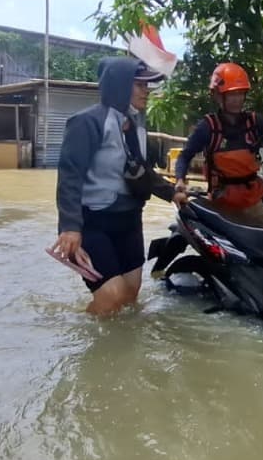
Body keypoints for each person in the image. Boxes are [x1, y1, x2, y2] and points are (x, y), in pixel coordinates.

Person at [52, 57, 176, 317]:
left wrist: (173, 193)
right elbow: (69, 177)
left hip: (129, 221)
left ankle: (121, 351)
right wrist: (70, 227)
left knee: (130, 294)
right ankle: (78, 339)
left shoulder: (137, 125)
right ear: (120, 85)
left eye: (147, 85)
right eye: (140, 85)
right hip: (92, 223)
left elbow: (141, 170)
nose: (146, 91)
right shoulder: (87, 122)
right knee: (111, 296)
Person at [172, 63, 263, 225]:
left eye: (240, 94)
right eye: (231, 95)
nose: (237, 100)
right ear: (217, 95)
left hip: (252, 202)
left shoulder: (254, 121)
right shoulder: (208, 127)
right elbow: (185, 156)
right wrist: (180, 179)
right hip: (221, 203)